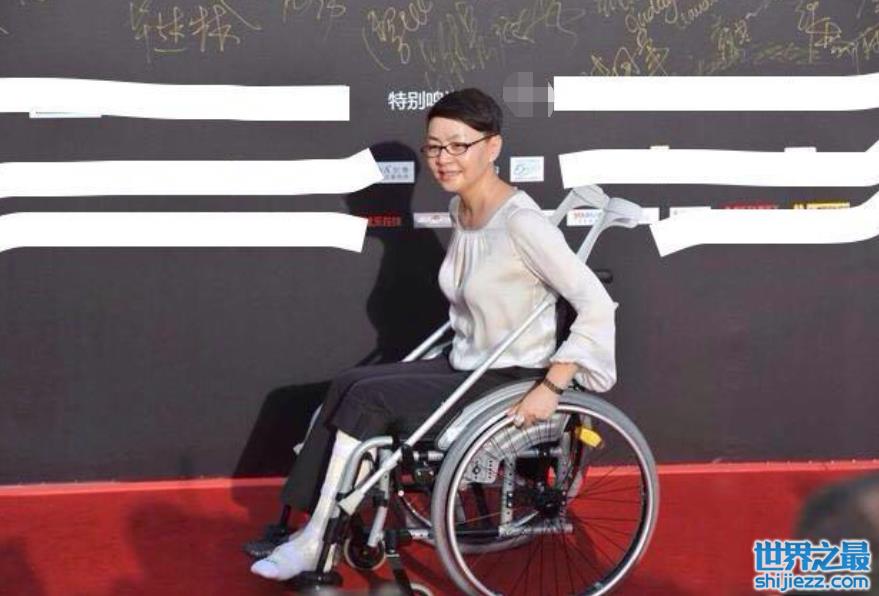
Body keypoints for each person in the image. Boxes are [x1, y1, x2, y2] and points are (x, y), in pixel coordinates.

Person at [249, 87, 619, 582]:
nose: (444, 159)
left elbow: (596, 303)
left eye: (458, 145)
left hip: (510, 376)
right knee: (348, 384)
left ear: (493, 146)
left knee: (369, 400)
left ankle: (318, 540)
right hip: (468, 362)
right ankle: (308, 522)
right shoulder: (462, 211)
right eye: (434, 147)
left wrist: (552, 386)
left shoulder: (523, 224)